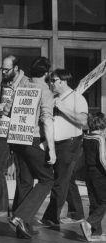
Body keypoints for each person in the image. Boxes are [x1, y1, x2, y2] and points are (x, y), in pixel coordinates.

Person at [8, 57, 56, 239]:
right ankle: (21, 216)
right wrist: (51, 149)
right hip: (34, 139)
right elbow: (46, 120)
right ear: (47, 73)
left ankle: (22, 226)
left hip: (17, 137)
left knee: (25, 180)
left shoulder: (21, 87)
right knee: (47, 179)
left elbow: (9, 110)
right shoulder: (45, 91)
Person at [40, 69, 87, 225]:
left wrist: (62, 108)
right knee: (68, 179)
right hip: (56, 143)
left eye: (53, 80)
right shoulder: (54, 98)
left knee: (59, 181)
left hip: (70, 142)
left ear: (62, 81)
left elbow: (83, 121)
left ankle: (51, 217)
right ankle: (77, 213)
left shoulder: (77, 98)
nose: (51, 83)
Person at [0, 55, 29, 219]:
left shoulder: (27, 82)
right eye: (2, 69)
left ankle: (19, 209)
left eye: (6, 69)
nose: (3, 72)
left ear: (16, 68)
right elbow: (0, 103)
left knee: (21, 171)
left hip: (19, 131)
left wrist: (5, 108)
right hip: (4, 130)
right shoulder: (4, 82)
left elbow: (25, 108)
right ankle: (0, 207)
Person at [80, 112, 106, 241]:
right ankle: (89, 223)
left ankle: (96, 232)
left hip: (88, 173)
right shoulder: (99, 139)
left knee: (94, 201)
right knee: (104, 201)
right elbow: (102, 159)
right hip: (99, 174)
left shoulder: (86, 137)